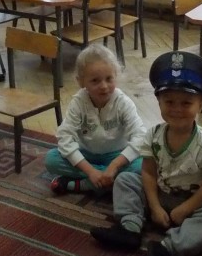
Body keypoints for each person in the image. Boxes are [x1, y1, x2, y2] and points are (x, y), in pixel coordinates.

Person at [90, 51, 202, 256]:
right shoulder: (153, 135)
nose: (177, 108)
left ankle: (167, 249)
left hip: (194, 204)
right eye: (169, 102)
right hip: (159, 194)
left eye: (186, 103)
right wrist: (155, 206)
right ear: (158, 101)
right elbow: (148, 172)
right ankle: (129, 229)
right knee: (126, 179)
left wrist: (185, 209)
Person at [45, 45, 145, 194]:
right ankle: (111, 183)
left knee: (144, 164)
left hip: (117, 156)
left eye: (109, 79)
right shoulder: (78, 103)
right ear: (81, 81)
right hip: (86, 156)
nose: (104, 86)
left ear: (116, 75)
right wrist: (90, 171)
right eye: (95, 81)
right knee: (51, 160)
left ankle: (82, 185)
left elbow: (141, 137)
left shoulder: (123, 102)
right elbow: (64, 137)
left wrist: (114, 166)